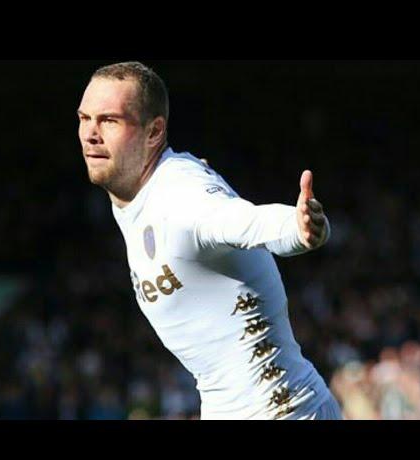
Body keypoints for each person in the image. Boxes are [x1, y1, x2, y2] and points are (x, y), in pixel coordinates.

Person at [77, 61, 342, 420]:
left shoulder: (181, 193)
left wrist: (299, 228)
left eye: (109, 120)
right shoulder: (136, 196)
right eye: (84, 118)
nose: (91, 133)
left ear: (154, 132)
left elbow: (243, 221)